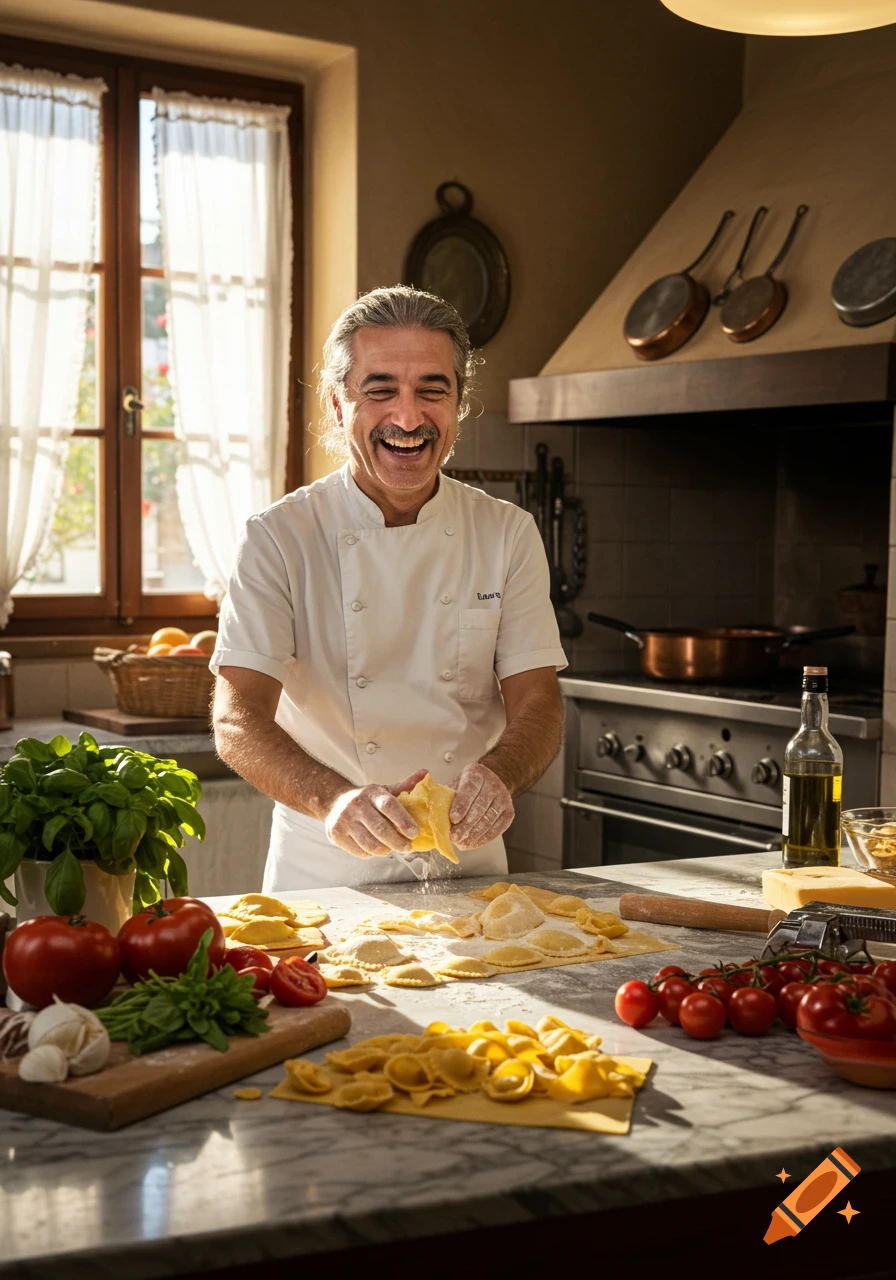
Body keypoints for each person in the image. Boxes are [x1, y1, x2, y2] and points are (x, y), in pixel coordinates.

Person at [211, 284, 566, 890]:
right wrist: (332, 800)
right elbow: (238, 717)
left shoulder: (508, 533)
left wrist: (499, 777)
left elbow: (540, 703)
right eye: (380, 390)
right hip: (325, 869)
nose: (408, 417)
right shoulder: (279, 538)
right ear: (337, 405)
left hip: (470, 864)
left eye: (433, 389)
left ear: (457, 403)